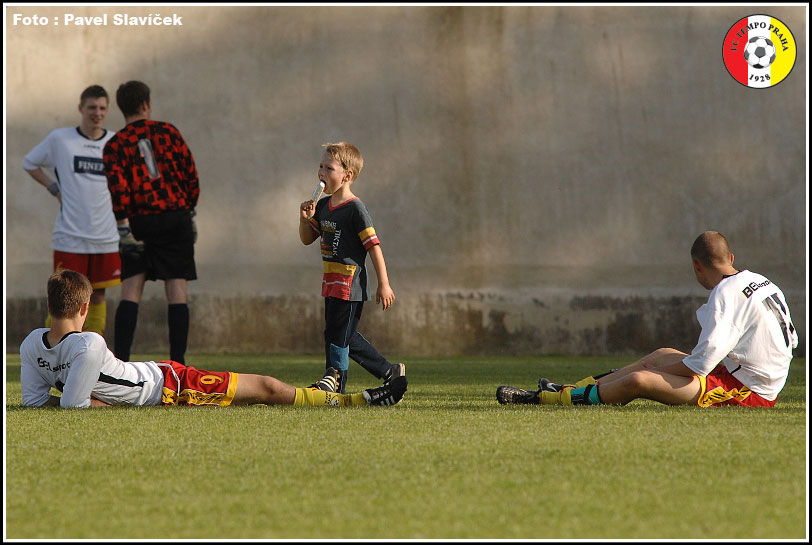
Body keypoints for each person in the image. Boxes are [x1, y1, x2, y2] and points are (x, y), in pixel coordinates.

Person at [20, 269, 407, 409]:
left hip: (168, 381)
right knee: (265, 390)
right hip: (163, 383)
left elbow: (55, 403)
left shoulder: (35, 344)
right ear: (85, 306)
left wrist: (80, 400)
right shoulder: (84, 343)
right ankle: (351, 398)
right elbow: (63, 405)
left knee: (267, 389)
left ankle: (357, 400)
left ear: (49, 305)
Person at [497, 231, 798, 408]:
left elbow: (702, 364)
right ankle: (567, 389)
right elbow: (792, 340)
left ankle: (547, 400)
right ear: (731, 258)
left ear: (696, 266)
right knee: (660, 354)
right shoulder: (761, 280)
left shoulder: (725, 293)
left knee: (640, 379)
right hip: (743, 375)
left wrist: (658, 372)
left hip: (749, 392)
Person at [103, 80, 200, 365]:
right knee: (177, 289)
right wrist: (187, 209)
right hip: (176, 218)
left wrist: (123, 224)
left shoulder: (115, 145)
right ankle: (177, 364)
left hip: (139, 222)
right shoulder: (168, 132)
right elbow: (191, 175)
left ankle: (121, 363)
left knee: (131, 289)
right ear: (146, 104)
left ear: (122, 108)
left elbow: (118, 189)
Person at [299, 142, 406, 393]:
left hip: (350, 286)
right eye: (321, 166)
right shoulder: (323, 206)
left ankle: (335, 383)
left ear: (347, 175)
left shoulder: (355, 209)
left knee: (338, 338)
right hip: (330, 283)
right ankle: (389, 371)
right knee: (341, 336)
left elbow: (374, 247)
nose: (321, 172)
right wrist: (304, 220)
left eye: (329, 168)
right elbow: (307, 239)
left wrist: (384, 284)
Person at [22, 85, 120, 335]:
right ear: (81, 108)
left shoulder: (115, 142)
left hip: (105, 236)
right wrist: (53, 188)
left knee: (97, 295)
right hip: (70, 235)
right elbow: (30, 162)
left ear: (107, 110)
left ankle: (94, 349)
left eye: (102, 108)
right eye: (92, 107)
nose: (97, 113)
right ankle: (53, 350)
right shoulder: (60, 139)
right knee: (63, 297)